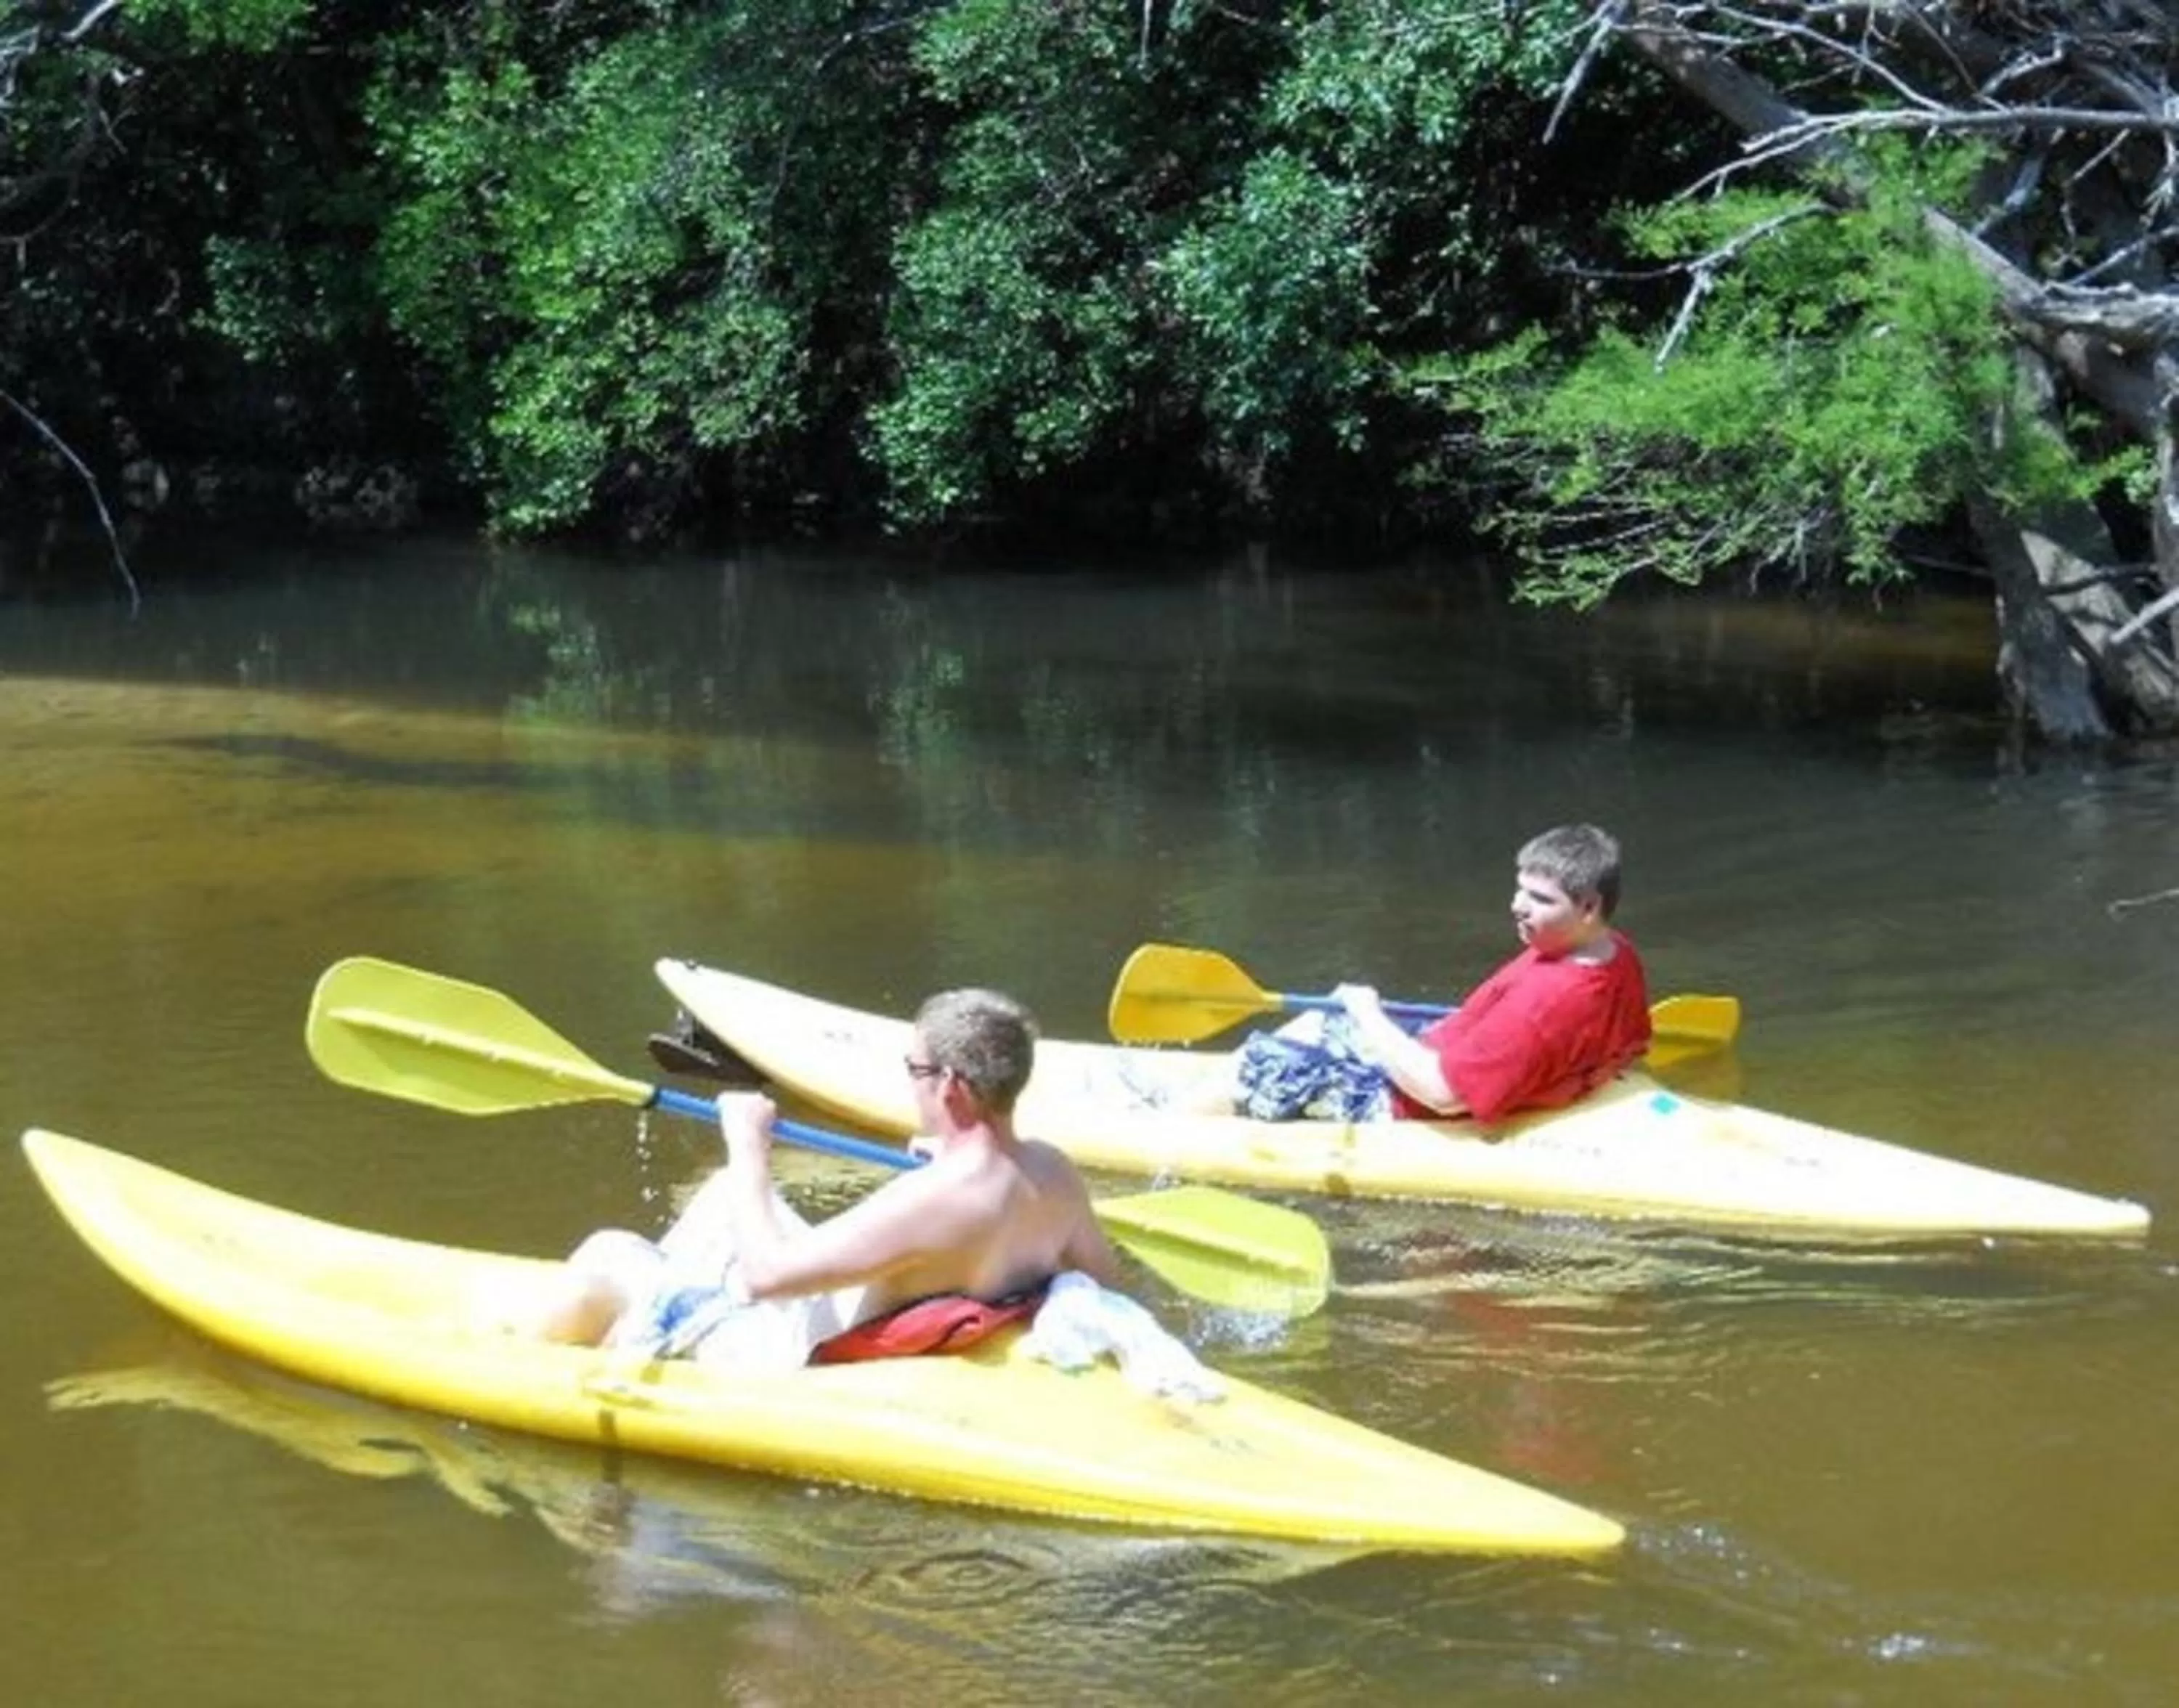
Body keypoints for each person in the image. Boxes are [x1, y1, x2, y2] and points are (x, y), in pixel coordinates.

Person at [512, 987, 1123, 1370]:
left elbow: (766, 1279)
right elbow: (1102, 1283)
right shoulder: (1053, 1173)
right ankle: (651, 1308)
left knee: (607, 1253)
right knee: (725, 1195)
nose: (910, 1082)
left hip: (791, 1353)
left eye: (915, 1069)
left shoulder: (931, 1199)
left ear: (952, 1086)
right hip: (888, 1311)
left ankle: (522, 1370)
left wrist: (748, 1147)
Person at [1231, 824, 1652, 1126]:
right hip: (1462, 1053)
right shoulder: (1615, 951)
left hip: (1404, 1102)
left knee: (1257, 1065)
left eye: (1540, 899)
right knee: (1324, 1018)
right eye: (1520, 888)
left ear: (1589, 908)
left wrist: (1368, 1014)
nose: (1517, 905)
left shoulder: (1547, 1002)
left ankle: (1172, 1132)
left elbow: (1443, 1096)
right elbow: (1631, 1043)